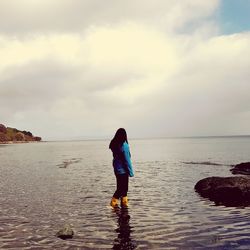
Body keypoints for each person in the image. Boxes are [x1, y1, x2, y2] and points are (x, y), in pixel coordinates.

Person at [109, 128, 134, 208]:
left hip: (117, 169)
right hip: (123, 170)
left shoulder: (115, 145)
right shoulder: (124, 145)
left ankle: (124, 205)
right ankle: (113, 205)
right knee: (122, 189)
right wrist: (131, 172)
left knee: (121, 189)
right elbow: (127, 160)